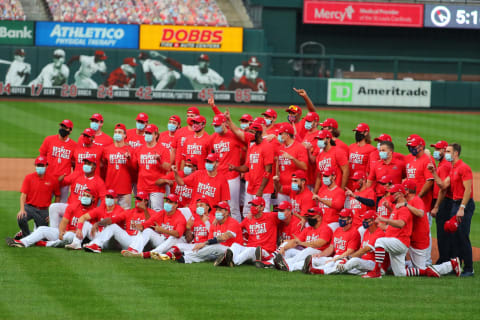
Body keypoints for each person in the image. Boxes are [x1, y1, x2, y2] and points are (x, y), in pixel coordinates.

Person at [429, 143, 475, 277]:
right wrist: (433, 172)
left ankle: (469, 268)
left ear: (455, 153)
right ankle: (456, 265)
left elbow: (468, 190)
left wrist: (462, 208)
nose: (446, 153)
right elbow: (443, 185)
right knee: (454, 235)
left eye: (448, 151)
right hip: (455, 204)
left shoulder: (464, 168)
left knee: (462, 235)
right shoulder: (453, 168)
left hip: (463, 205)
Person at [7, 189, 97, 248]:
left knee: (69, 236)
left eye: (88, 196)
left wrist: (69, 232)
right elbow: (64, 221)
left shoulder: (95, 212)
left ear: (93, 199)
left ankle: (47, 243)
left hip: (76, 237)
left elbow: (87, 231)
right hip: (65, 232)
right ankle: (22, 242)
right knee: (42, 229)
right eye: (84, 195)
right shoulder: (73, 206)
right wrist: (61, 231)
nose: (84, 197)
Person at [363, 184, 413, 278]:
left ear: (400, 194)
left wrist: (385, 220)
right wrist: (389, 208)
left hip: (400, 241)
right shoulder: (397, 207)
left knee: (380, 241)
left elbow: (401, 223)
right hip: (397, 240)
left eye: (393, 193)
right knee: (400, 274)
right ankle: (426, 271)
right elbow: (395, 222)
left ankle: (376, 271)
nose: (391, 196)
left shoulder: (404, 209)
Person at [216, 197, 281, 267]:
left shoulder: (271, 216)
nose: (252, 207)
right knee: (235, 246)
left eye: (255, 205)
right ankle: (227, 258)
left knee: (251, 250)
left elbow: (286, 215)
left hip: (264, 251)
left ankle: (232, 261)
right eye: (252, 205)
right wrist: (220, 220)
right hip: (250, 248)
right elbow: (237, 227)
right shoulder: (248, 219)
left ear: (262, 207)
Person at [83, 191, 154, 253]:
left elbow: (151, 225)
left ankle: (135, 250)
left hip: (141, 241)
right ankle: (96, 245)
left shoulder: (152, 213)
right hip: (128, 239)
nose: (137, 201)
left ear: (146, 201)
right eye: (136, 199)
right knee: (113, 226)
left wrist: (145, 210)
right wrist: (98, 223)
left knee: (145, 231)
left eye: (140, 199)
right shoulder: (129, 212)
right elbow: (112, 220)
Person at [121, 194, 187, 258]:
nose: (167, 203)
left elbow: (178, 234)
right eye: (166, 201)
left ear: (176, 205)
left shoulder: (180, 217)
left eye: (170, 202)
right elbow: (151, 221)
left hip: (171, 245)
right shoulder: (163, 212)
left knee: (174, 238)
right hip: (162, 240)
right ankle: (134, 250)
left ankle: (151, 253)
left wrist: (162, 230)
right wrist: (142, 226)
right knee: (148, 230)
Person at [49, 155, 107, 228]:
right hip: (70, 207)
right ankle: (54, 232)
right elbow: (63, 182)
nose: (86, 165)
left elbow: (104, 199)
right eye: (85, 163)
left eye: (89, 164)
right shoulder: (77, 174)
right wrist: (59, 180)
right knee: (53, 207)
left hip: (86, 211)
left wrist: (96, 212)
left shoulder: (99, 182)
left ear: (94, 167)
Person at [229, 122, 274, 214]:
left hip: (263, 188)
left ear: (259, 133)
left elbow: (268, 170)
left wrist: (261, 189)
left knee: (263, 213)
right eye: (249, 132)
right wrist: (235, 168)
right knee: (248, 212)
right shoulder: (253, 147)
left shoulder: (267, 147)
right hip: (252, 186)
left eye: (252, 132)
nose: (250, 134)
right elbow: (247, 167)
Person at [208, 112, 245, 222]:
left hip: (232, 176)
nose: (216, 127)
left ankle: (236, 233)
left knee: (233, 207)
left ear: (224, 124)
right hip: (218, 176)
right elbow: (212, 153)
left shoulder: (233, 135)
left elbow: (246, 149)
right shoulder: (213, 138)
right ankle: (221, 230)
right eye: (215, 125)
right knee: (219, 206)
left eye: (218, 125)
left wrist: (244, 167)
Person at [273, 207, 333, 272]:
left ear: (319, 217)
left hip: (320, 253)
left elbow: (318, 244)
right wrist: (284, 247)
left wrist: (301, 243)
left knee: (309, 250)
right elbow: (295, 242)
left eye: (311, 216)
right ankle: (272, 262)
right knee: (290, 250)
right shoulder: (308, 229)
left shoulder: (326, 229)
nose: (309, 218)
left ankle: (286, 265)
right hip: (307, 253)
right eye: (308, 216)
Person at [14, 156, 60, 239]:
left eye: (42, 165)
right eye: (38, 165)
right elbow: (23, 195)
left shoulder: (53, 180)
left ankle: (29, 234)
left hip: (43, 211)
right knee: (21, 218)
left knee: (42, 235)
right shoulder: (28, 178)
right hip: (29, 207)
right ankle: (26, 236)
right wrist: (22, 209)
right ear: (35, 166)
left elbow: (57, 195)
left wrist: (51, 213)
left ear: (46, 166)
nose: (40, 167)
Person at [303, 208, 361, 275]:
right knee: (314, 259)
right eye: (340, 217)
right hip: (335, 257)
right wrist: (320, 255)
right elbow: (331, 248)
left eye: (343, 217)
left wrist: (334, 259)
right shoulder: (338, 230)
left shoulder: (354, 233)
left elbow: (349, 252)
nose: (340, 219)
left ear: (350, 219)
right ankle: (303, 268)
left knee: (335, 264)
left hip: (345, 259)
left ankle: (318, 270)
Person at [132, 124, 171, 211]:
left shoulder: (163, 149)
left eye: (149, 133)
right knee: (141, 211)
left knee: (156, 212)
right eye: (146, 133)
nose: (147, 135)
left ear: (156, 135)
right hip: (142, 186)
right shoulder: (139, 149)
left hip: (157, 187)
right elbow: (134, 167)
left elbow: (168, 167)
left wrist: (159, 160)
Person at [335, 210, 385, 275]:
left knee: (354, 261)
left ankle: (330, 271)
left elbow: (365, 250)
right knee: (346, 263)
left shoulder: (379, 233)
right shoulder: (367, 232)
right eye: (363, 219)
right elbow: (361, 250)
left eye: (366, 220)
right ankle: (365, 272)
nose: (363, 221)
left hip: (375, 263)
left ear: (373, 221)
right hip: (364, 262)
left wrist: (348, 258)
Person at [428, 140, 454, 264]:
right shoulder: (443, 164)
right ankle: (447, 258)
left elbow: (443, 188)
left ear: (444, 151)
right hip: (445, 202)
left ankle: (444, 259)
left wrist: (437, 206)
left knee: (442, 233)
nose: (436, 152)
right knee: (445, 232)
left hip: (444, 202)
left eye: (438, 149)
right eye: (435, 149)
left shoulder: (444, 166)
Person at [39, 119, 77, 202]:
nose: (62, 129)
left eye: (65, 127)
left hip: (64, 182)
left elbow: (75, 165)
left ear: (70, 131)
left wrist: (72, 179)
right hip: (48, 179)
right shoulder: (49, 140)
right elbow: (41, 157)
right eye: (62, 126)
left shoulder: (74, 145)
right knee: (43, 203)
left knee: (60, 206)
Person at [102, 124, 134, 209]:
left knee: (125, 216)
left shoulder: (130, 150)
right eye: (116, 132)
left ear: (125, 135)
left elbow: (134, 169)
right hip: (110, 187)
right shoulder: (106, 150)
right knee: (108, 214)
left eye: (120, 132)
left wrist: (129, 159)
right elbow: (104, 165)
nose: (117, 134)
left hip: (125, 189)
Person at [275, 123, 308, 203]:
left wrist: (292, 158)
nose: (279, 136)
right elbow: (279, 168)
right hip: (282, 189)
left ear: (287, 135)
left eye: (281, 134)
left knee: (294, 213)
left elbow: (304, 167)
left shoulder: (300, 147)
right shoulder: (280, 148)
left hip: (295, 188)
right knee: (282, 212)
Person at [160, 53, 225, 90]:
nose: (201, 63)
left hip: (211, 98)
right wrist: (163, 57)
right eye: (200, 61)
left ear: (208, 63)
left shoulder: (213, 74)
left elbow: (221, 85)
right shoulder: (192, 70)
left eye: (203, 61)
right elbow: (178, 66)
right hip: (198, 97)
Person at [313, 167, 346, 231]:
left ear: (334, 177)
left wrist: (321, 200)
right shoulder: (322, 191)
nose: (324, 178)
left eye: (327, 176)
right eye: (324, 176)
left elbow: (338, 206)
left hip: (333, 223)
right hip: (322, 223)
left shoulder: (339, 191)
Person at [348, 123, 376, 189]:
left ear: (366, 133)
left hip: (362, 183)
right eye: (356, 132)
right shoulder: (351, 146)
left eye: (359, 132)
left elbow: (372, 170)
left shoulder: (372, 149)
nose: (357, 134)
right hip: (350, 182)